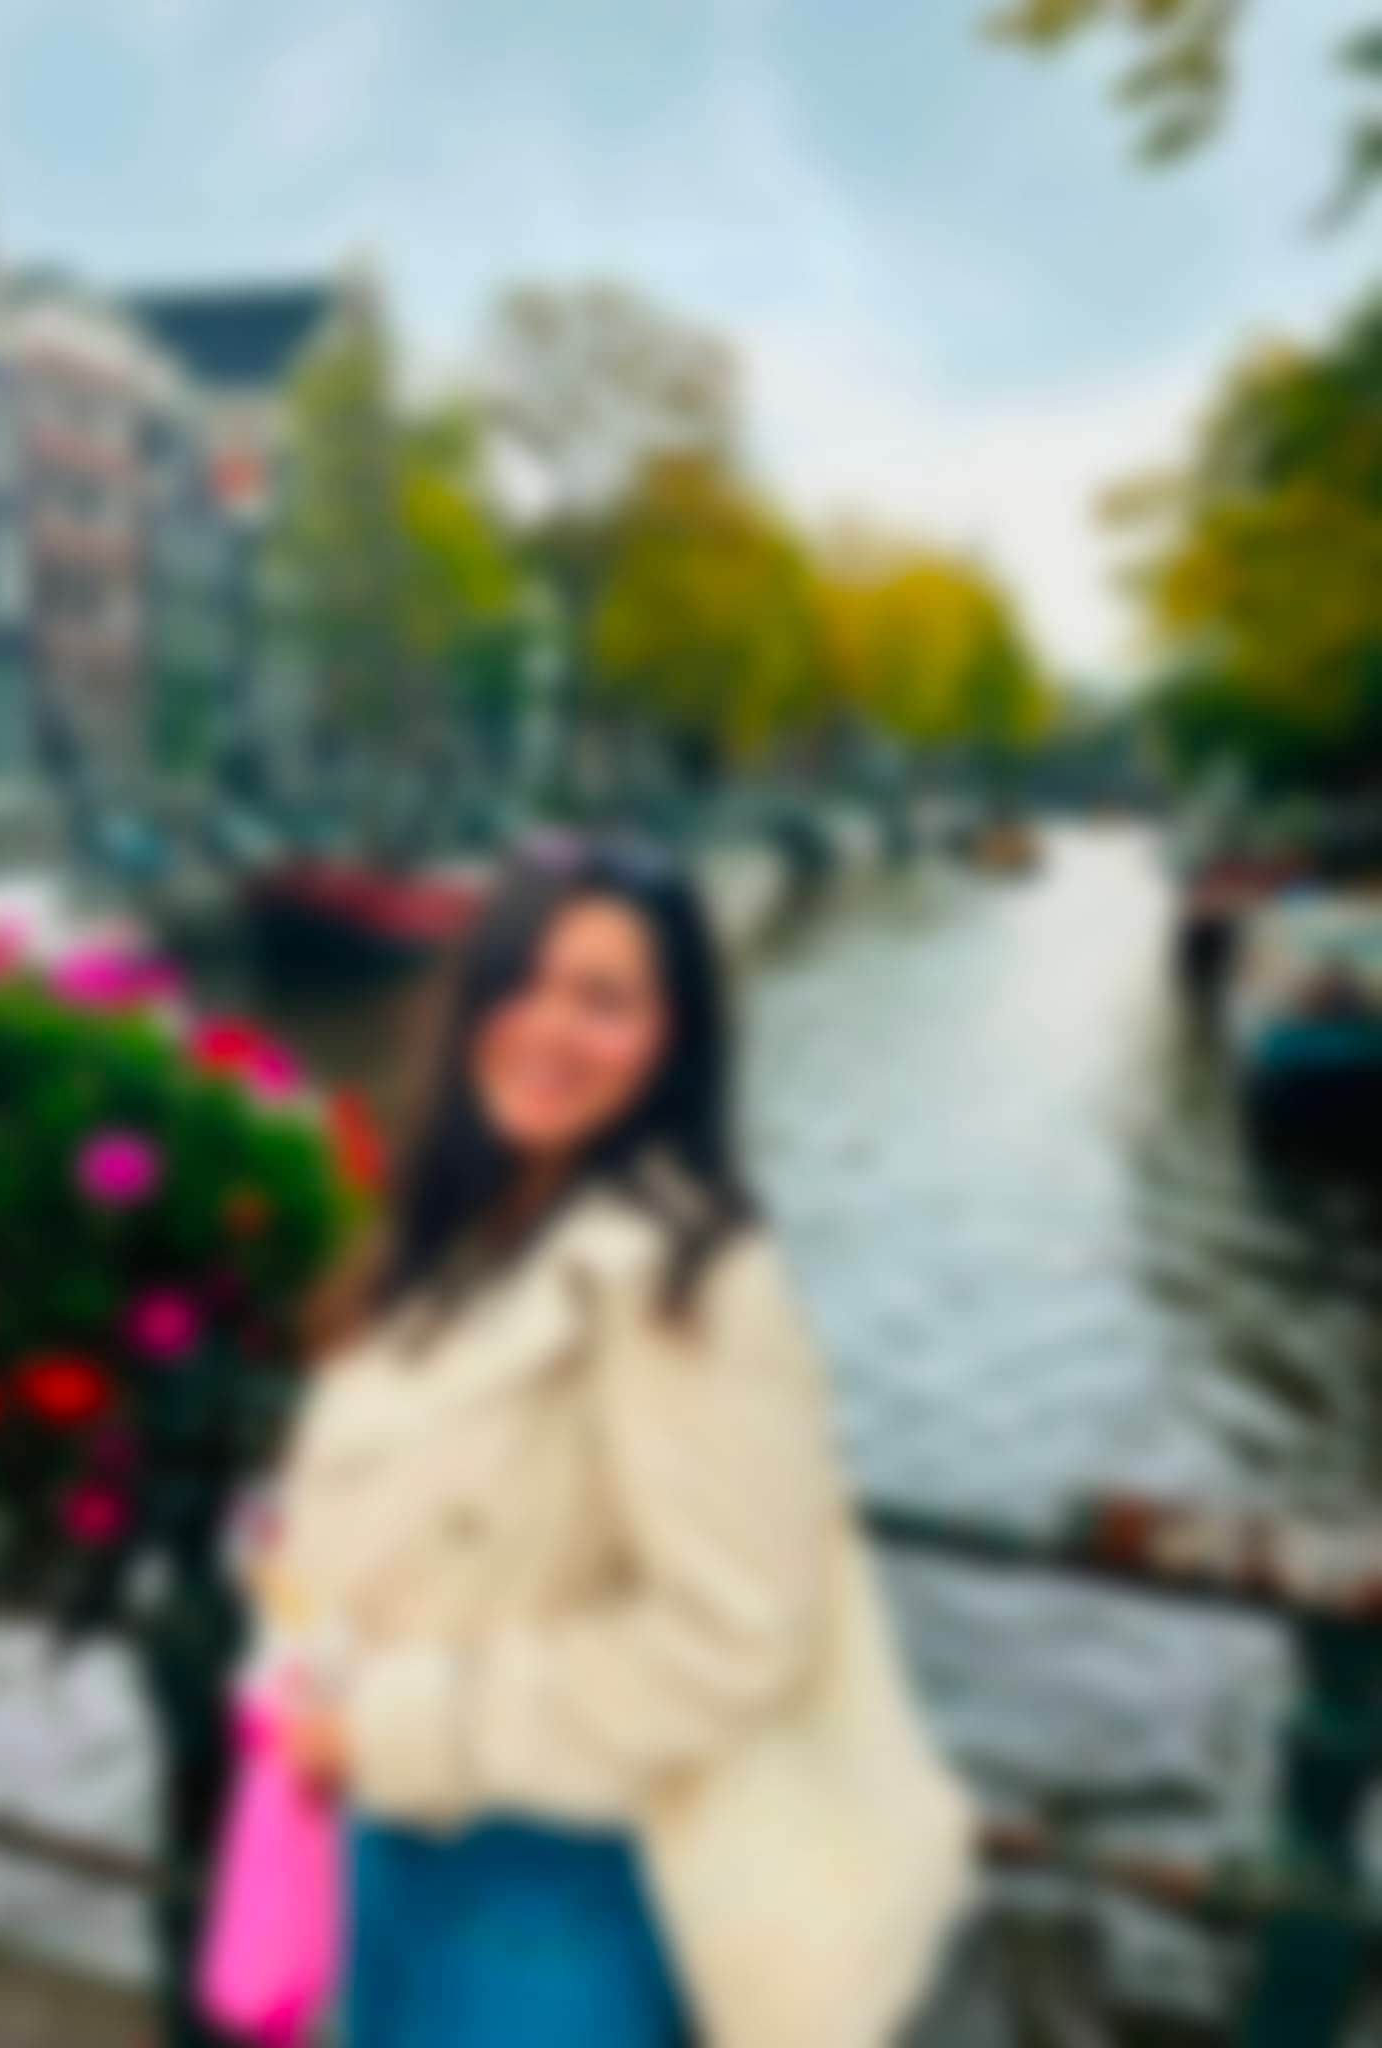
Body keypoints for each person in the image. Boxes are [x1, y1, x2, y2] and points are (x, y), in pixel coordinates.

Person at [256, 833, 974, 2048]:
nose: (548, 1027)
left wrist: (397, 1725)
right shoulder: (466, 1230)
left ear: (671, 1038)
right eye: (520, 980)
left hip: (547, 1892)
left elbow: (731, 1636)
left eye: (603, 999)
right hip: (390, 1842)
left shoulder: (687, 1279)